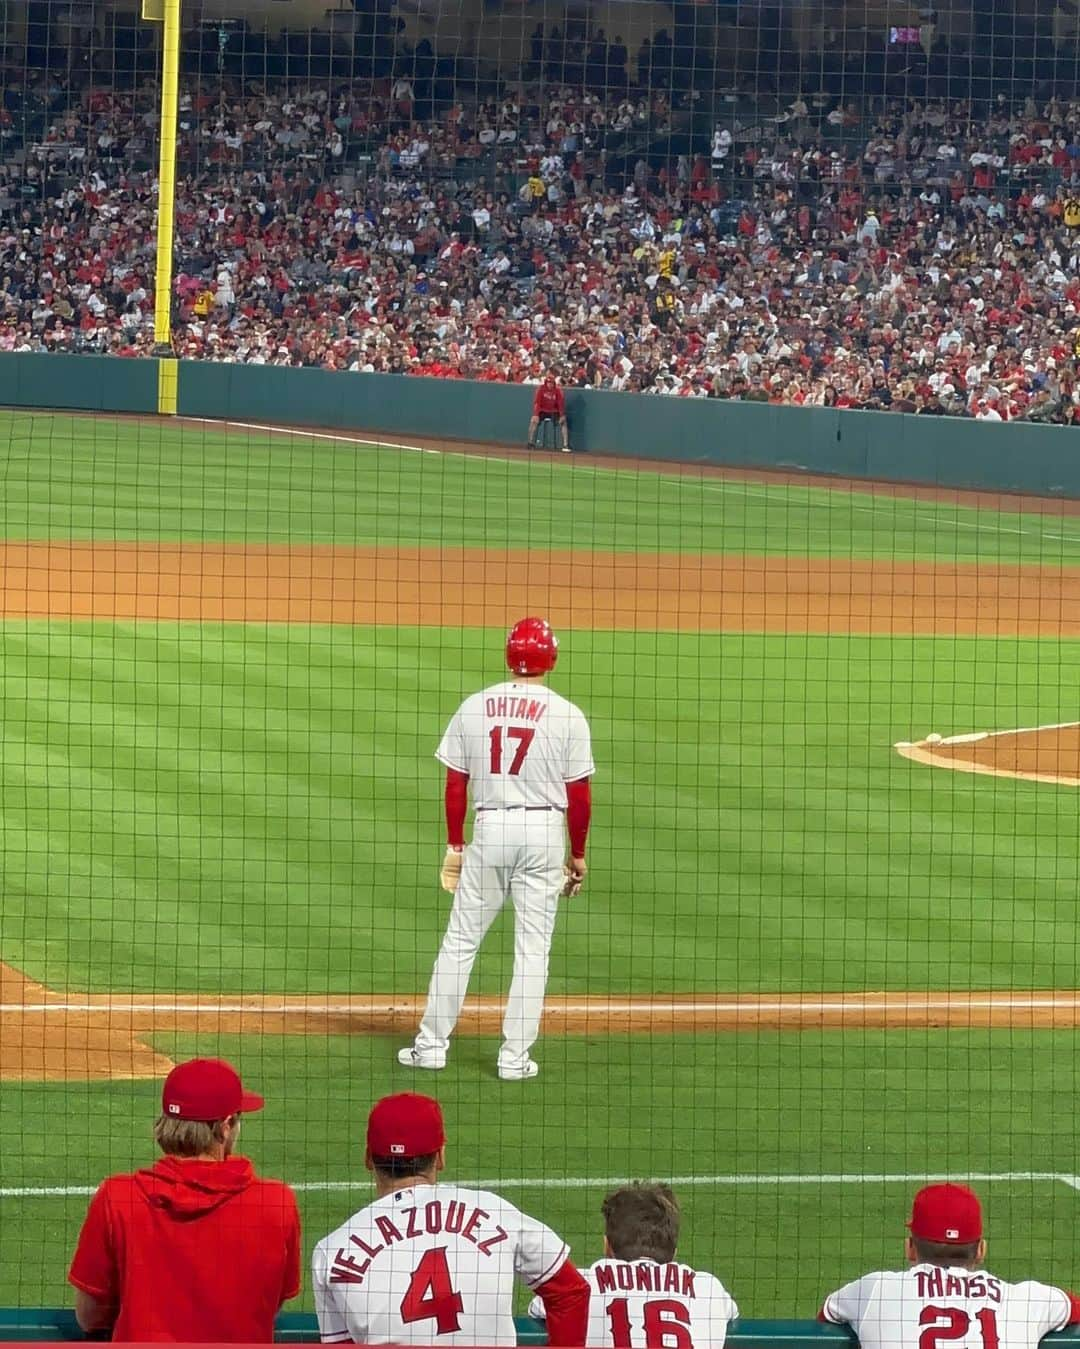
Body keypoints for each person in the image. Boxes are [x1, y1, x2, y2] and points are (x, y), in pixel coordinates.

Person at [398, 616, 594, 1080]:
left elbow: (455, 783)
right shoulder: (567, 713)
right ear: (553, 658)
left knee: (460, 940)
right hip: (544, 833)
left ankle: (430, 1046)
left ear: (509, 655)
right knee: (533, 951)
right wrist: (578, 853)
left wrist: (454, 843)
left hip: (490, 830)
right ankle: (513, 1058)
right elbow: (580, 794)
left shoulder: (475, 705)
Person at [312, 1092, 590, 1346]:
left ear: (368, 1159)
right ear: (441, 1156)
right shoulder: (496, 1213)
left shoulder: (332, 1251)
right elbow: (571, 1293)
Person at [68, 1057, 301, 1343]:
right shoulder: (275, 1203)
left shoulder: (118, 1198)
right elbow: (271, 1304)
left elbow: (89, 1317)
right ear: (226, 1126)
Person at [820, 1183, 1080, 1349]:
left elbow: (826, 1317)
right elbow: (1074, 1309)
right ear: (980, 1250)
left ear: (910, 1248)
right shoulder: (1026, 1301)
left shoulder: (874, 1290)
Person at [529, 1182, 738, 1347]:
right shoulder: (708, 1288)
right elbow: (730, 1315)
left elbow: (537, 1308)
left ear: (606, 1246)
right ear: (674, 1253)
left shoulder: (580, 1285)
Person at [528, 372, 571, 451]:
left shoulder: (558, 390)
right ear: (546, 382)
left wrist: (561, 415)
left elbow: (560, 404)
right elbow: (537, 403)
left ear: (554, 383)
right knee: (533, 420)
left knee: (564, 422)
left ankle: (565, 445)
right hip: (542, 410)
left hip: (553, 411)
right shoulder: (541, 389)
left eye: (551, 383)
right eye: (548, 382)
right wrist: (536, 414)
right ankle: (530, 442)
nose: (550, 384)